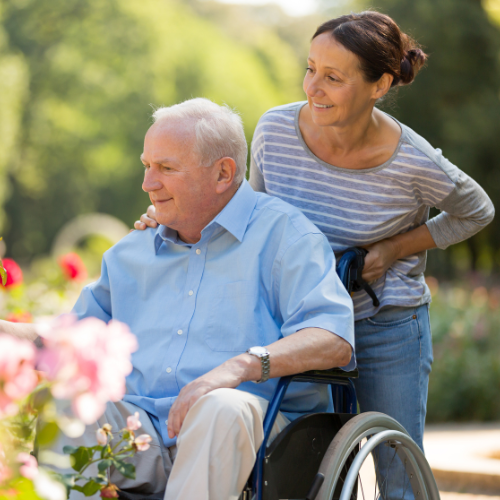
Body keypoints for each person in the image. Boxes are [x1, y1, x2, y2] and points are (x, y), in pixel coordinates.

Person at [135, 11, 495, 496]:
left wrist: (393, 249)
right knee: (289, 459)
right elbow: (248, 211)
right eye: (310, 69)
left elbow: (477, 211)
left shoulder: (413, 160)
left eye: (333, 77)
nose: (313, 87)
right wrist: (172, 213)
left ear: (380, 83)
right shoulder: (276, 131)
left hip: (382, 316)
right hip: (294, 316)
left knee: (396, 471)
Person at [2, 98, 355, 499]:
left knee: (222, 406)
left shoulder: (286, 237)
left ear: (223, 173)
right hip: (142, 434)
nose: (148, 183)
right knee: (59, 402)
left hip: (257, 440)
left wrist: (238, 367)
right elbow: (72, 337)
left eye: (166, 168)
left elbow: (333, 339)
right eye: (147, 166)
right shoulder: (130, 253)